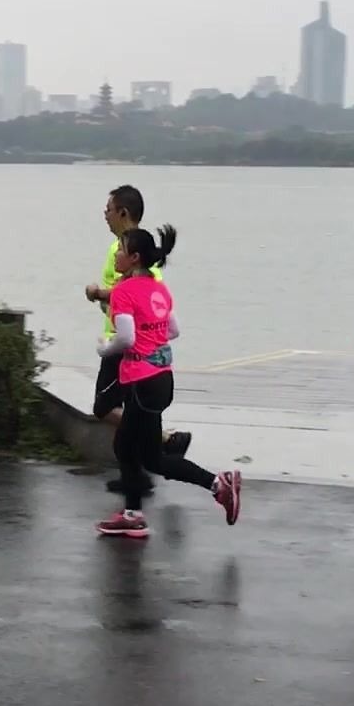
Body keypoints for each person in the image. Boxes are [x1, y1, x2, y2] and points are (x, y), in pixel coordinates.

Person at [94, 225, 241, 538]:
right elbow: (173, 331)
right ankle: (133, 514)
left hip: (143, 381)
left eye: (121, 249)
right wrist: (152, 338)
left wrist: (104, 348)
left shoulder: (123, 291)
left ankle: (218, 484)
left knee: (151, 457)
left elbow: (126, 337)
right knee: (127, 445)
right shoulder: (160, 289)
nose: (116, 254)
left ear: (134, 257)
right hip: (162, 380)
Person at [85, 184, 190, 497]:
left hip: (126, 345)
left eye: (108, 210)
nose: (104, 215)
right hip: (129, 342)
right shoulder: (122, 245)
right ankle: (134, 483)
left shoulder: (133, 248)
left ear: (123, 212)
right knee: (132, 411)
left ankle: (163, 447)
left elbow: (144, 288)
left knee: (104, 407)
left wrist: (98, 293)